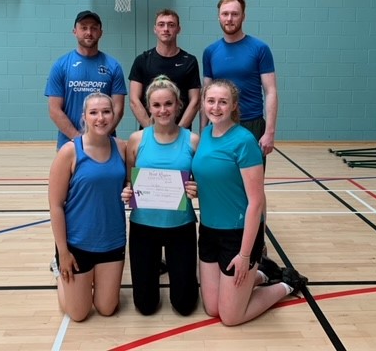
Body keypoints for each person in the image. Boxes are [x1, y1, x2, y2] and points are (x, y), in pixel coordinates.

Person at [192, 79, 307, 326]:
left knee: (230, 317)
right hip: (209, 230)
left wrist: (245, 255)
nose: (216, 107)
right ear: (203, 103)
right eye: (211, 101)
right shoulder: (205, 135)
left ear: (234, 105)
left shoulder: (244, 141)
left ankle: (287, 283)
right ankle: (263, 274)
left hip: (238, 234)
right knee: (212, 309)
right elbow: (212, 183)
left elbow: (256, 202)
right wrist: (193, 190)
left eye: (223, 102)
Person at [121, 76, 200, 316]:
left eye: (168, 104)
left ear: (178, 105)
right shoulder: (136, 140)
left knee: (185, 306)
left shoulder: (193, 140)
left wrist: (196, 190)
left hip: (181, 225)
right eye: (156, 105)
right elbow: (130, 178)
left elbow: (200, 182)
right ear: (149, 108)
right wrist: (128, 191)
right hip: (144, 226)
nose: (163, 110)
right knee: (145, 307)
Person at [48, 92, 127, 322]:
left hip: (112, 241)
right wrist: (63, 252)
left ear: (114, 115)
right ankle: (59, 274)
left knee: (107, 308)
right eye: (94, 112)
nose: (100, 118)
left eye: (106, 112)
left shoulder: (122, 148)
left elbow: (132, 186)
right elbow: (55, 205)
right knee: (79, 314)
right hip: (77, 244)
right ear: (84, 117)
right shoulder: (70, 152)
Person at [201, 0, 278, 163]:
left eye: (234, 14)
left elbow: (270, 91)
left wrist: (269, 132)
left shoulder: (260, 48)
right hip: (220, 124)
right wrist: (203, 132)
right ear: (219, 17)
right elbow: (205, 94)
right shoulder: (210, 52)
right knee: (220, 174)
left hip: (251, 124)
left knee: (251, 177)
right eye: (225, 14)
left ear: (243, 16)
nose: (229, 19)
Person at [45, 10, 127, 149]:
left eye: (94, 28)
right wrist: (79, 140)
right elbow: (54, 110)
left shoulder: (113, 66)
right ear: (75, 31)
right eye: (84, 28)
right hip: (70, 144)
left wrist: (99, 138)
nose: (89, 32)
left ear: (100, 32)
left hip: (105, 144)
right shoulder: (61, 65)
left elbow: (118, 109)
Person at [129, 9, 201, 130]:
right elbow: (134, 100)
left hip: (181, 133)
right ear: (155, 29)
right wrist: (152, 131)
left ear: (178, 29)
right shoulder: (142, 60)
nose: (166, 29)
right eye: (161, 25)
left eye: (171, 25)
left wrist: (178, 132)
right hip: (150, 132)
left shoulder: (189, 61)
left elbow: (195, 101)